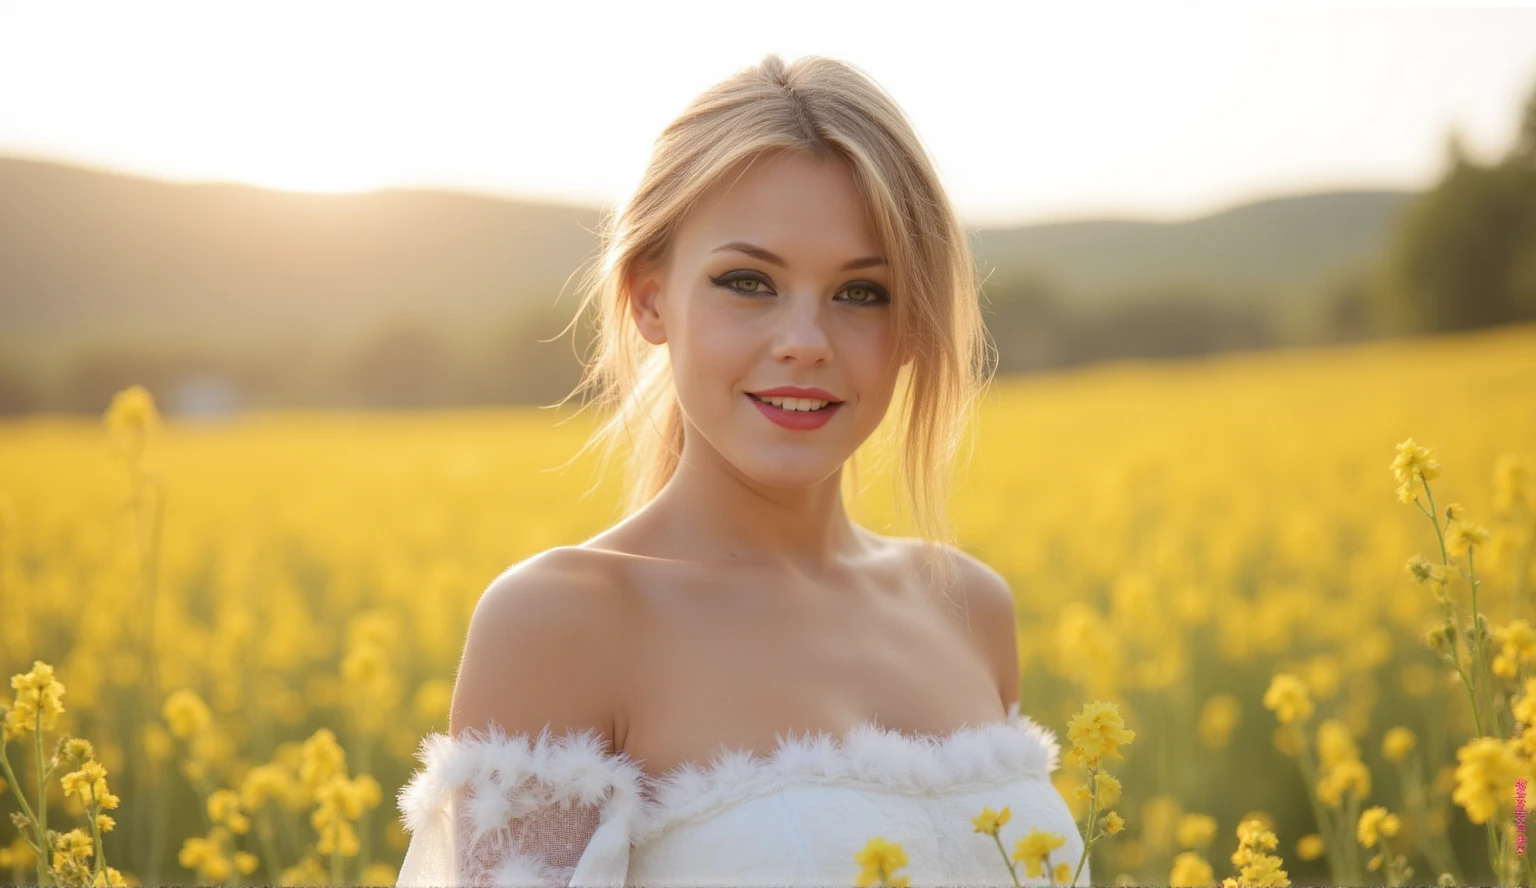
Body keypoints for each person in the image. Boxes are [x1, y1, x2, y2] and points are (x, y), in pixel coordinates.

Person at [394, 53, 1085, 887]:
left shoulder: (971, 608)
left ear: (913, 328)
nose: (806, 340)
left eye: (863, 293)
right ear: (651, 300)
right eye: (748, 282)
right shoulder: (562, 624)